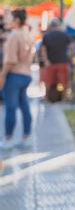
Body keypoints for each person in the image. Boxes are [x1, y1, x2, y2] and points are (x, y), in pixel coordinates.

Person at [0, 9, 35, 149]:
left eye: (10, 19)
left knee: (11, 108)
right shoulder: (27, 34)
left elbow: (10, 60)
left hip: (14, 74)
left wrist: (2, 75)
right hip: (26, 74)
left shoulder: (14, 36)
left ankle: (8, 138)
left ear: (17, 20)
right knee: (24, 106)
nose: (7, 21)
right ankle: (26, 137)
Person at [41, 18, 73, 102]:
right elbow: (71, 47)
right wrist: (71, 56)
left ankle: (46, 97)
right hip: (63, 61)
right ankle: (64, 98)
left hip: (50, 62)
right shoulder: (64, 35)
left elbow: (43, 49)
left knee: (48, 80)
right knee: (64, 81)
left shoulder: (46, 36)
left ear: (51, 26)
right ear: (59, 25)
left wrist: (46, 60)